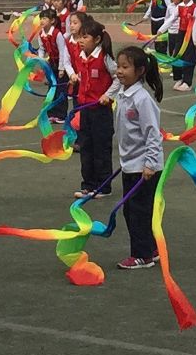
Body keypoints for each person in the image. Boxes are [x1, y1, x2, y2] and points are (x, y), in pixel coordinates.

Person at [113, 45, 164, 269]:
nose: (120, 71)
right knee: (135, 210)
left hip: (144, 167)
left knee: (137, 212)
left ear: (140, 70)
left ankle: (141, 255)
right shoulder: (123, 94)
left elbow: (153, 133)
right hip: (130, 164)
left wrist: (150, 164)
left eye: (125, 67)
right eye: (118, 66)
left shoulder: (141, 99)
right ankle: (151, 249)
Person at [70, 16, 117, 195]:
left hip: (101, 111)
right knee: (86, 147)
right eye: (80, 37)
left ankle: (104, 186)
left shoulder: (105, 58)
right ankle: (88, 185)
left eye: (85, 37)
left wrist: (108, 95)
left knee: (101, 148)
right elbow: (87, 77)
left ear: (97, 40)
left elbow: (118, 78)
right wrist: (77, 78)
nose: (81, 41)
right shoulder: (81, 57)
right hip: (85, 110)